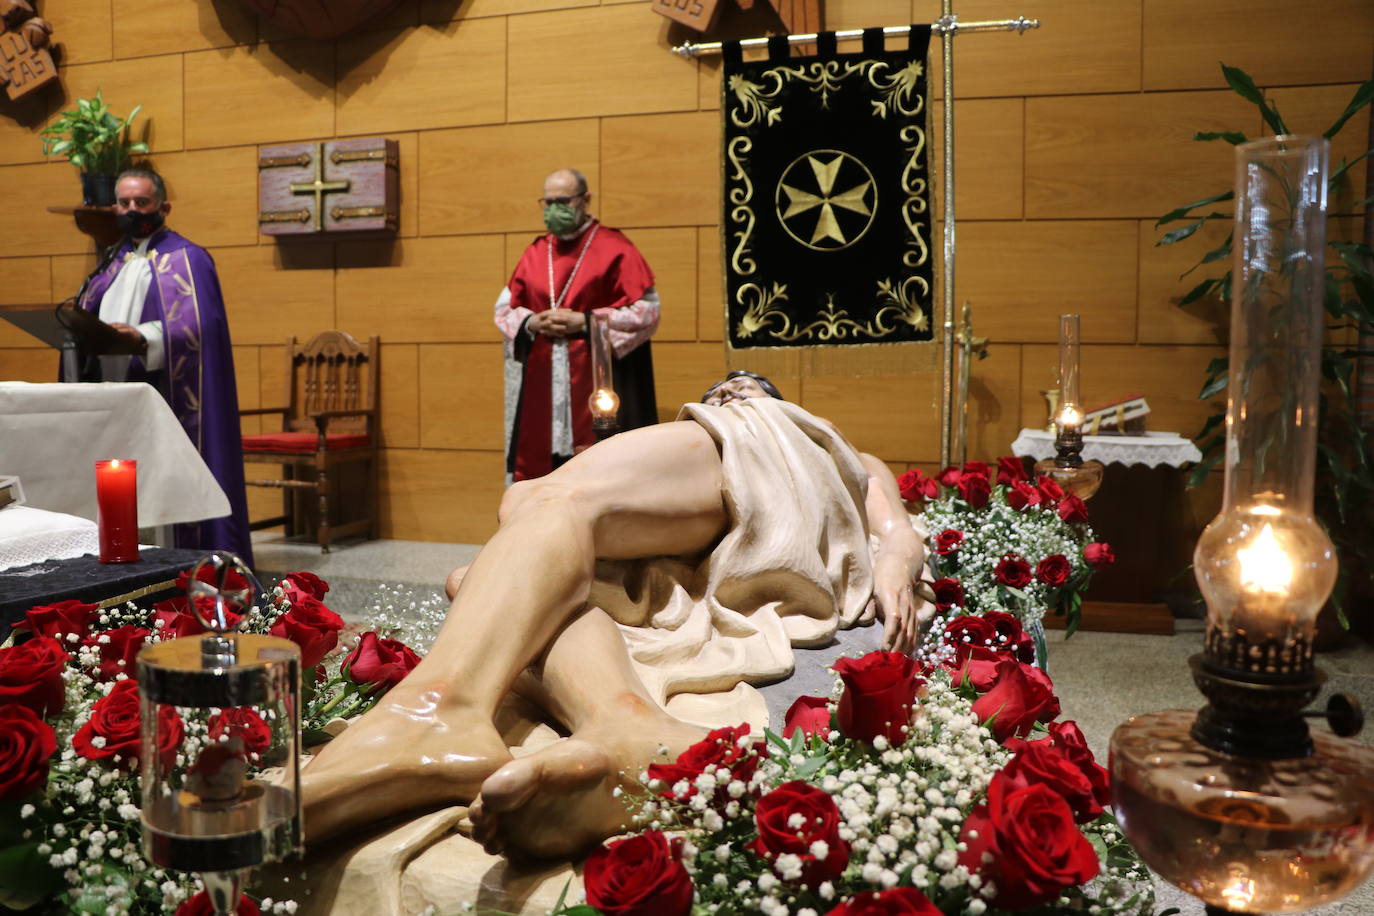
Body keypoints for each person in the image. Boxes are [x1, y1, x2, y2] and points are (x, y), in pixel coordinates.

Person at [301, 372, 929, 860]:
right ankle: (623, 725)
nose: (734, 388)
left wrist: (897, 555)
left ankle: (438, 709)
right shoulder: (750, 458)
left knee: (541, 498)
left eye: (744, 384)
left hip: (771, 479)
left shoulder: (776, 426)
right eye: (727, 387)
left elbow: (894, 525)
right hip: (726, 547)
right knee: (487, 583)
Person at [62, 168, 254, 568]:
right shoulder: (111, 263)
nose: (132, 210)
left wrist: (143, 337)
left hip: (162, 398)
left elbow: (201, 329)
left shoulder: (188, 259)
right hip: (111, 401)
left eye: (142, 202)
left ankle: (177, 571)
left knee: (159, 491)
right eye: (124, 203)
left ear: (162, 206)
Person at [494, 168, 660, 481]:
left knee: (600, 469)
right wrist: (532, 321)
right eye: (548, 201)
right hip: (545, 382)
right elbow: (504, 310)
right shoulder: (535, 252)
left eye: (563, 200)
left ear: (585, 200)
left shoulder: (616, 248)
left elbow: (647, 311)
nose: (555, 209)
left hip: (597, 378)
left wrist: (585, 321)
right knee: (545, 469)